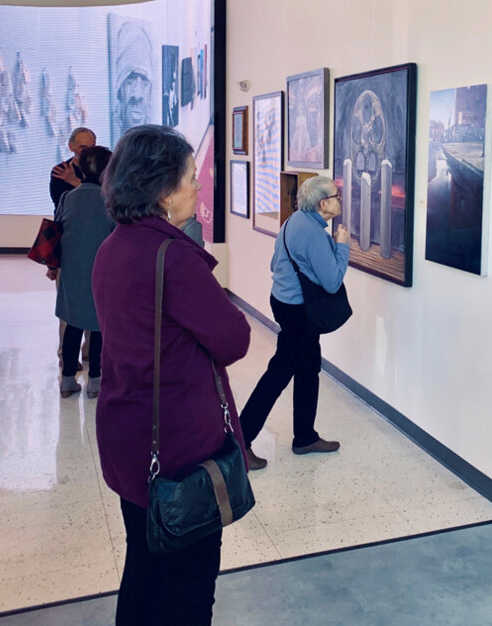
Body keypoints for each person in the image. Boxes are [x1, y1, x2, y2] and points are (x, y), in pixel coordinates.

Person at [92, 125, 250, 626]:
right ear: (162, 190)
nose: (198, 187)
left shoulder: (113, 245)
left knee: (143, 566)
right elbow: (234, 340)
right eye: (189, 178)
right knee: (187, 588)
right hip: (177, 445)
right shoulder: (174, 258)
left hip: (127, 434)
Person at [238, 175, 350, 470]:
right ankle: (241, 440)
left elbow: (275, 265)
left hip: (284, 303)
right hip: (299, 312)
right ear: (324, 203)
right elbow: (332, 281)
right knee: (280, 372)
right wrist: (342, 246)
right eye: (337, 195)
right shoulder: (313, 234)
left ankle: (305, 436)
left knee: (308, 368)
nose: (340, 199)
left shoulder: (295, 220)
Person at [49, 146, 114, 399]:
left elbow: (56, 231)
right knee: (98, 325)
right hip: (102, 271)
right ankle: (95, 381)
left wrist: (54, 266)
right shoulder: (112, 201)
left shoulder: (69, 197)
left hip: (72, 270)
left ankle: (67, 381)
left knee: (73, 324)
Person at [50, 126, 97, 208]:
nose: (89, 152)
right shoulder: (61, 171)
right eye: (83, 148)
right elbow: (62, 204)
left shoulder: (103, 169)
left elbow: (104, 199)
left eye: (92, 147)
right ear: (71, 147)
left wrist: (76, 183)